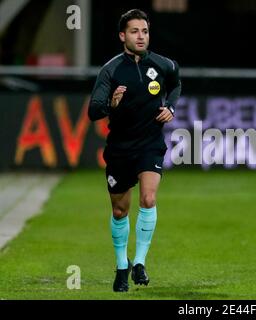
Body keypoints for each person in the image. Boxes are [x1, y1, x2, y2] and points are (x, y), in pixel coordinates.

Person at [88, 9, 181, 292]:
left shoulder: (163, 65)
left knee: (149, 199)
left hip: (150, 144)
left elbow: (176, 83)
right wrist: (112, 105)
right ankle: (121, 265)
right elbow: (94, 111)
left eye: (145, 31)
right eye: (134, 31)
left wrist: (170, 107)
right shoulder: (111, 70)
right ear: (122, 36)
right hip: (120, 148)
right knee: (119, 211)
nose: (141, 36)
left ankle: (139, 262)